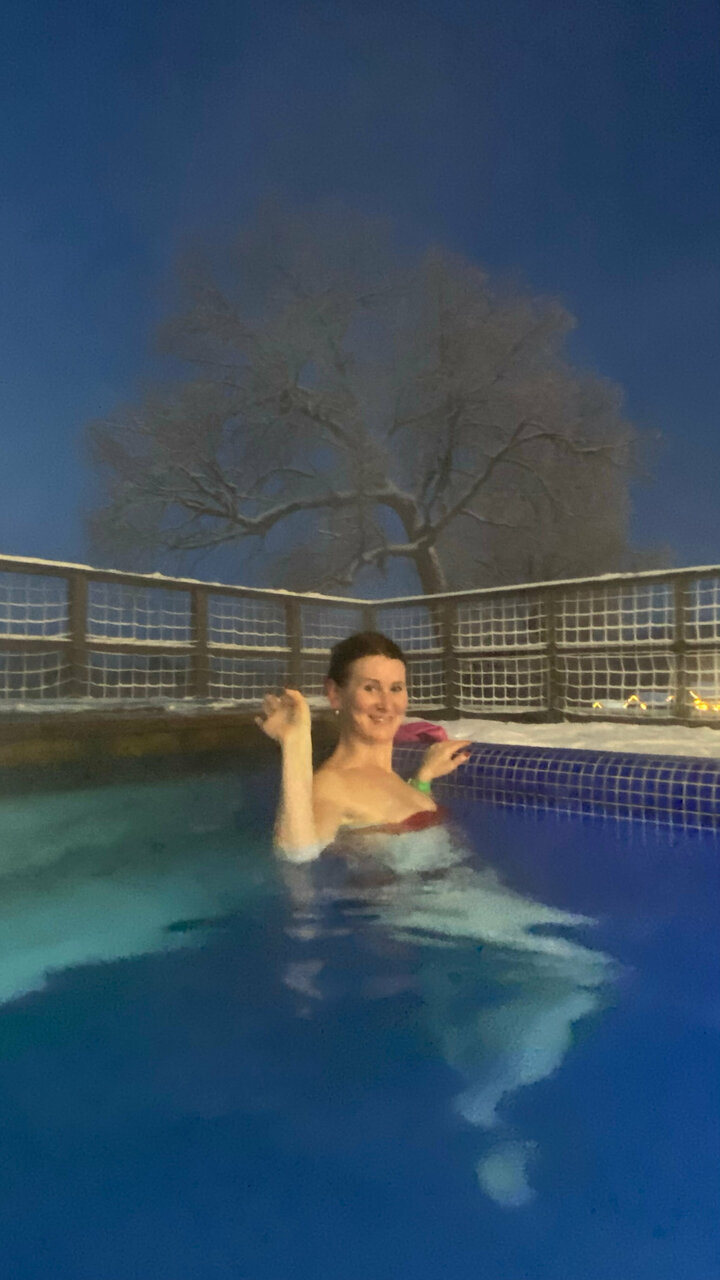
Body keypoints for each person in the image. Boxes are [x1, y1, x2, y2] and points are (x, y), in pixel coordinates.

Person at [256, 631, 472, 861]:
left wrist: (424, 777)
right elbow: (299, 854)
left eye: (396, 688)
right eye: (370, 688)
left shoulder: (391, 777)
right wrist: (295, 744)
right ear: (335, 693)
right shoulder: (331, 785)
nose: (386, 704)